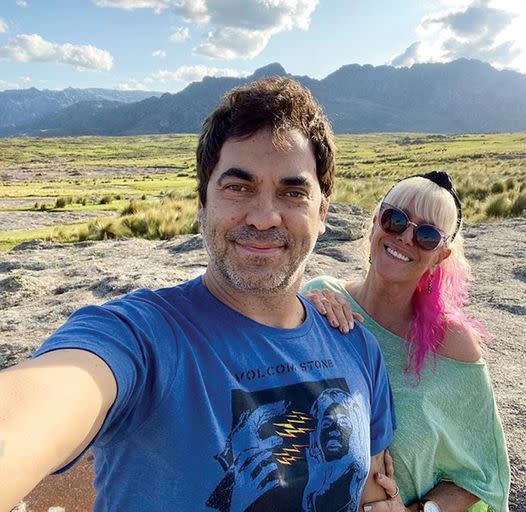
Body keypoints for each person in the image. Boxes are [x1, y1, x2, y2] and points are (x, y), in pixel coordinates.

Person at [0, 77, 397, 512]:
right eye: (238, 187)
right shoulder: (142, 337)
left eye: (292, 192)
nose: (265, 217)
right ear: (202, 205)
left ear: (322, 213)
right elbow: (38, 406)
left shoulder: (355, 344)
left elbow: (371, 490)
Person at [303, 171, 511, 512]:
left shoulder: (454, 344)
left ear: (440, 256)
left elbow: (482, 475)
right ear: (374, 223)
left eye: (427, 235)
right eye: (396, 219)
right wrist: (299, 313)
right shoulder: (320, 297)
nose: (405, 238)